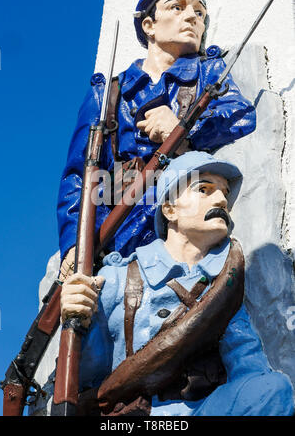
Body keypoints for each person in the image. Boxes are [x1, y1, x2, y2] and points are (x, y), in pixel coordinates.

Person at [60, 151, 294, 416]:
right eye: (204, 189)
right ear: (169, 209)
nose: (221, 200)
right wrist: (78, 318)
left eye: (225, 193)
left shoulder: (223, 287)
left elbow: (250, 367)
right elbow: (86, 378)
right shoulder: (120, 278)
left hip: (205, 410)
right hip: (136, 415)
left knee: (274, 388)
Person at [57, 0, 257, 282]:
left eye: (200, 13)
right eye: (177, 7)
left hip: (185, 223)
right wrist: (74, 245)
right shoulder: (109, 93)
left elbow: (241, 116)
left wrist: (182, 131)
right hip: (118, 230)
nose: (192, 16)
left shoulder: (209, 72)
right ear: (149, 25)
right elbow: (79, 176)